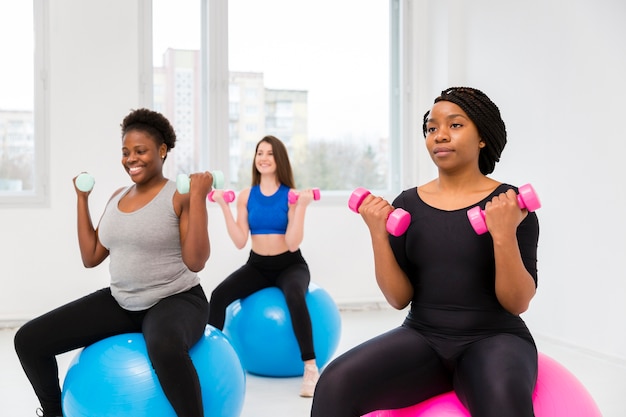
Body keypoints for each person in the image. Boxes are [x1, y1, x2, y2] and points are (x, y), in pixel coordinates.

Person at [311, 87, 540, 416]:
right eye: (432, 128)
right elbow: (398, 298)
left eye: (455, 125)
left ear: (482, 137)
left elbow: (517, 302)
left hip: (496, 337)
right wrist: (378, 232)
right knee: (334, 383)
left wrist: (502, 233)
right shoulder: (407, 204)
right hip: (423, 336)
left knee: (504, 402)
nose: (440, 135)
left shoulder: (510, 205)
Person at [14, 108, 215, 417]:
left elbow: (196, 261)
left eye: (140, 151)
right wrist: (82, 200)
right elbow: (91, 256)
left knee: (163, 346)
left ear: (162, 151)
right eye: (125, 152)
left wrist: (199, 198)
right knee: (29, 340)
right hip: (122, 300)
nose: (130, 158)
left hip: (176, 299)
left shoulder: (179, 195)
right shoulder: (118, 196)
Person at [208, 135, 320, 397]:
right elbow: (239, 240)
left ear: (278, 159)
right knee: (218, 296)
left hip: (290, 265)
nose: (264, 158)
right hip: (257, 265)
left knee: (294, 294)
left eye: (270, 153)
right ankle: (211, 361)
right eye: (260, 153)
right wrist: (223, 205)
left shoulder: (291, 196)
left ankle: (311, 368)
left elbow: (292, 244)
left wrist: (302, 207)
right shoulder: (246, 196)